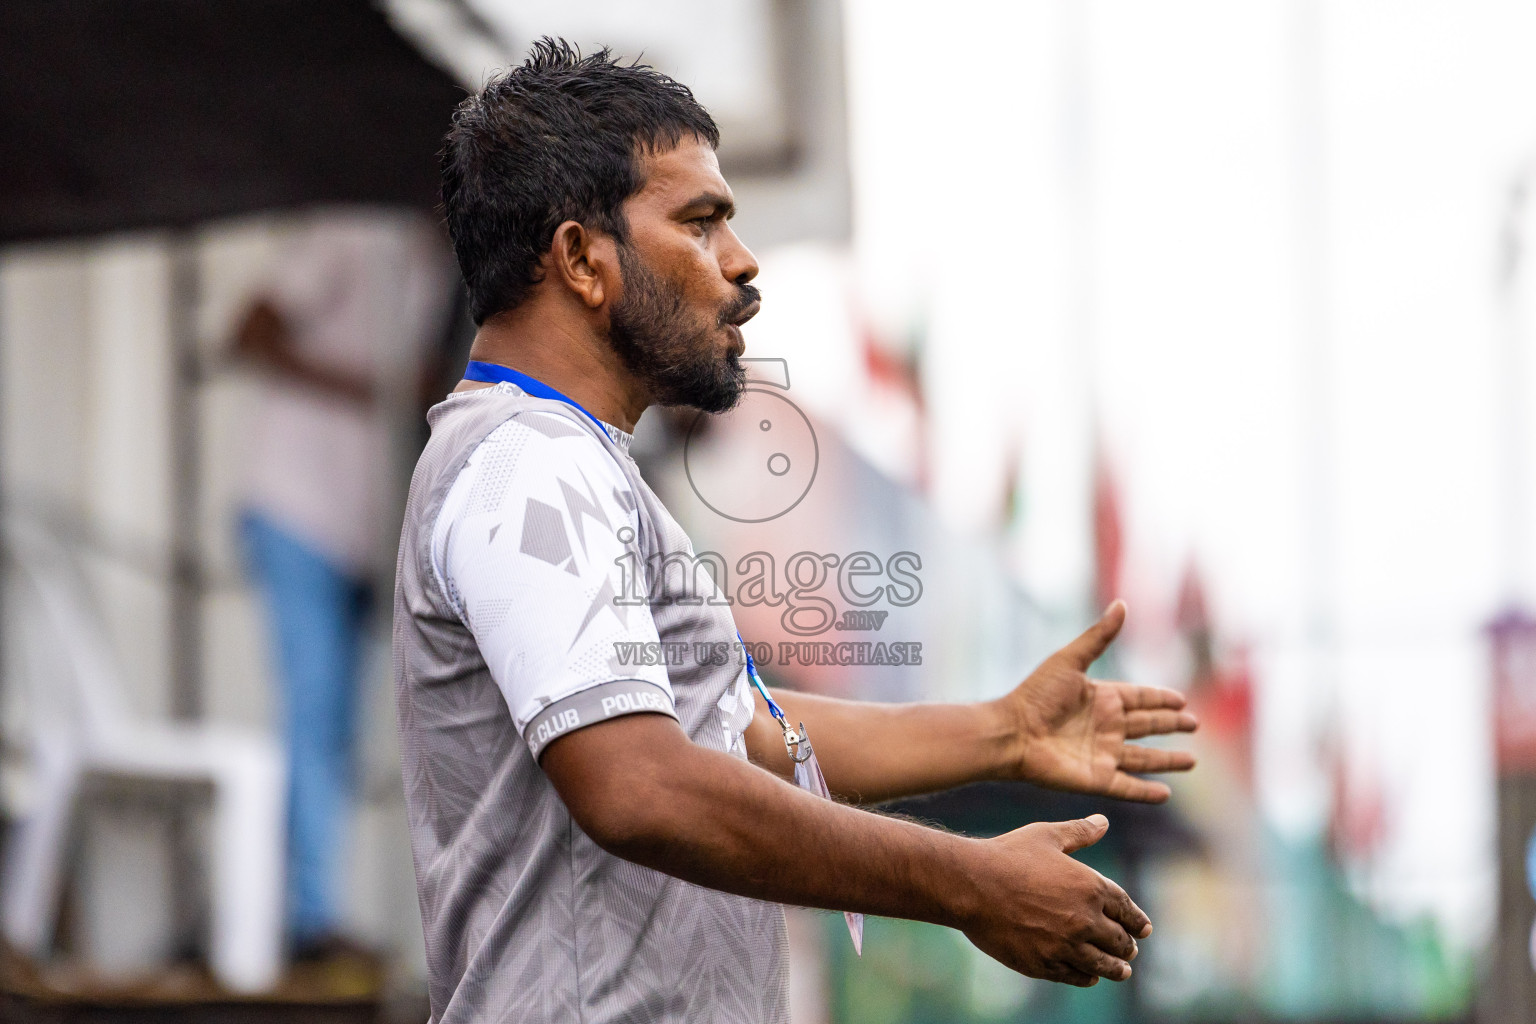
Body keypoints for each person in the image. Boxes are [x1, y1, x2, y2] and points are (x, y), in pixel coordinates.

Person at [394, 39, 1198, 1024]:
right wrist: (967, 883)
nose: (742, 261)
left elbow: (739, 742)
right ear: (579, 260)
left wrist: (1003, 731)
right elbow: (641, 785)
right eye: (701, 222)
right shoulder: (528, 468)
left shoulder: (576, 464)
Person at [233, 209, 448, 959]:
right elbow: (248, 331)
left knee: (344, 736)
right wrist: (377, 392)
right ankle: (302, 924)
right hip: (295, 507)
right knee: (312, 716)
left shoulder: (439, 270)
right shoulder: (351, 232)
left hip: (364, 532)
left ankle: (315, 915)